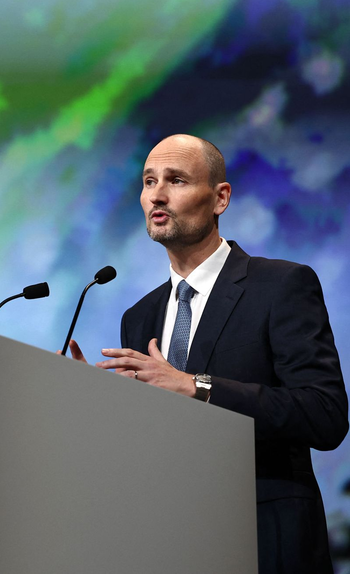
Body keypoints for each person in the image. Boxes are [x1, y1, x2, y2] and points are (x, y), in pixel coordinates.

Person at [64, 134, 347, 573]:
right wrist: (105, 410)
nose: (156, 194)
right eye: (149, 181)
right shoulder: (140, 317)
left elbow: (325, 414)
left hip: (263, 542)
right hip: (171, 545)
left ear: (220, 198)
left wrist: (196, 386)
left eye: (176, 180)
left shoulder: (281, 286)